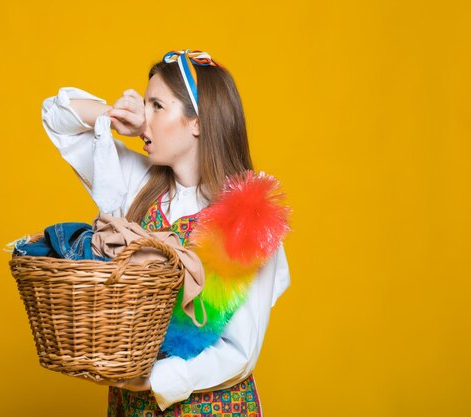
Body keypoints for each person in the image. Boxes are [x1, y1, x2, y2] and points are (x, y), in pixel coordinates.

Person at [41, 49, 291, 417]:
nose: (145, 118)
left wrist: (154, 379)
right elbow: (55, 117)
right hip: (132, 407)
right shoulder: (134, 183)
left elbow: (240, 351)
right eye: (144, 104)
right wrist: (113, 117)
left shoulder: (247, 216)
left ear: (198, 122)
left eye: (157, 106)